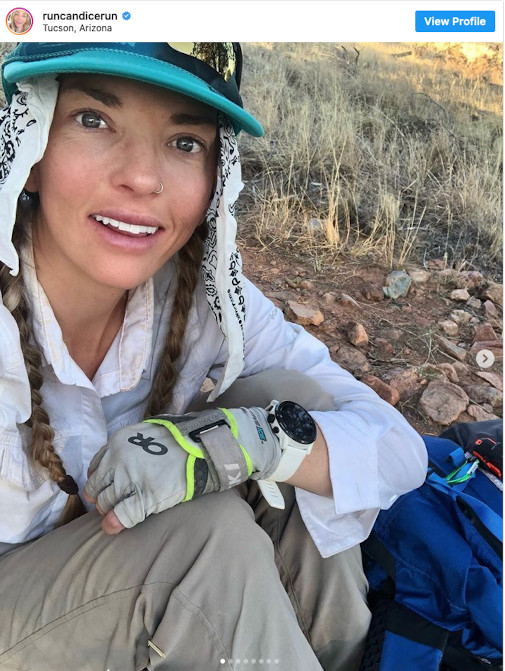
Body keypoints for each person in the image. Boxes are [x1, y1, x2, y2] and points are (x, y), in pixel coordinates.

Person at [0, 42, 427, 671]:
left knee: (288, 407)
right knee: (207, 542)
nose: (143, 178)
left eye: (185, 143)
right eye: (94, 120)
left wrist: (245, 443)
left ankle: (338, 658)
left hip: (119, 589)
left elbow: (398, 448)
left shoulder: (207, 296)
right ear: (32, 150)